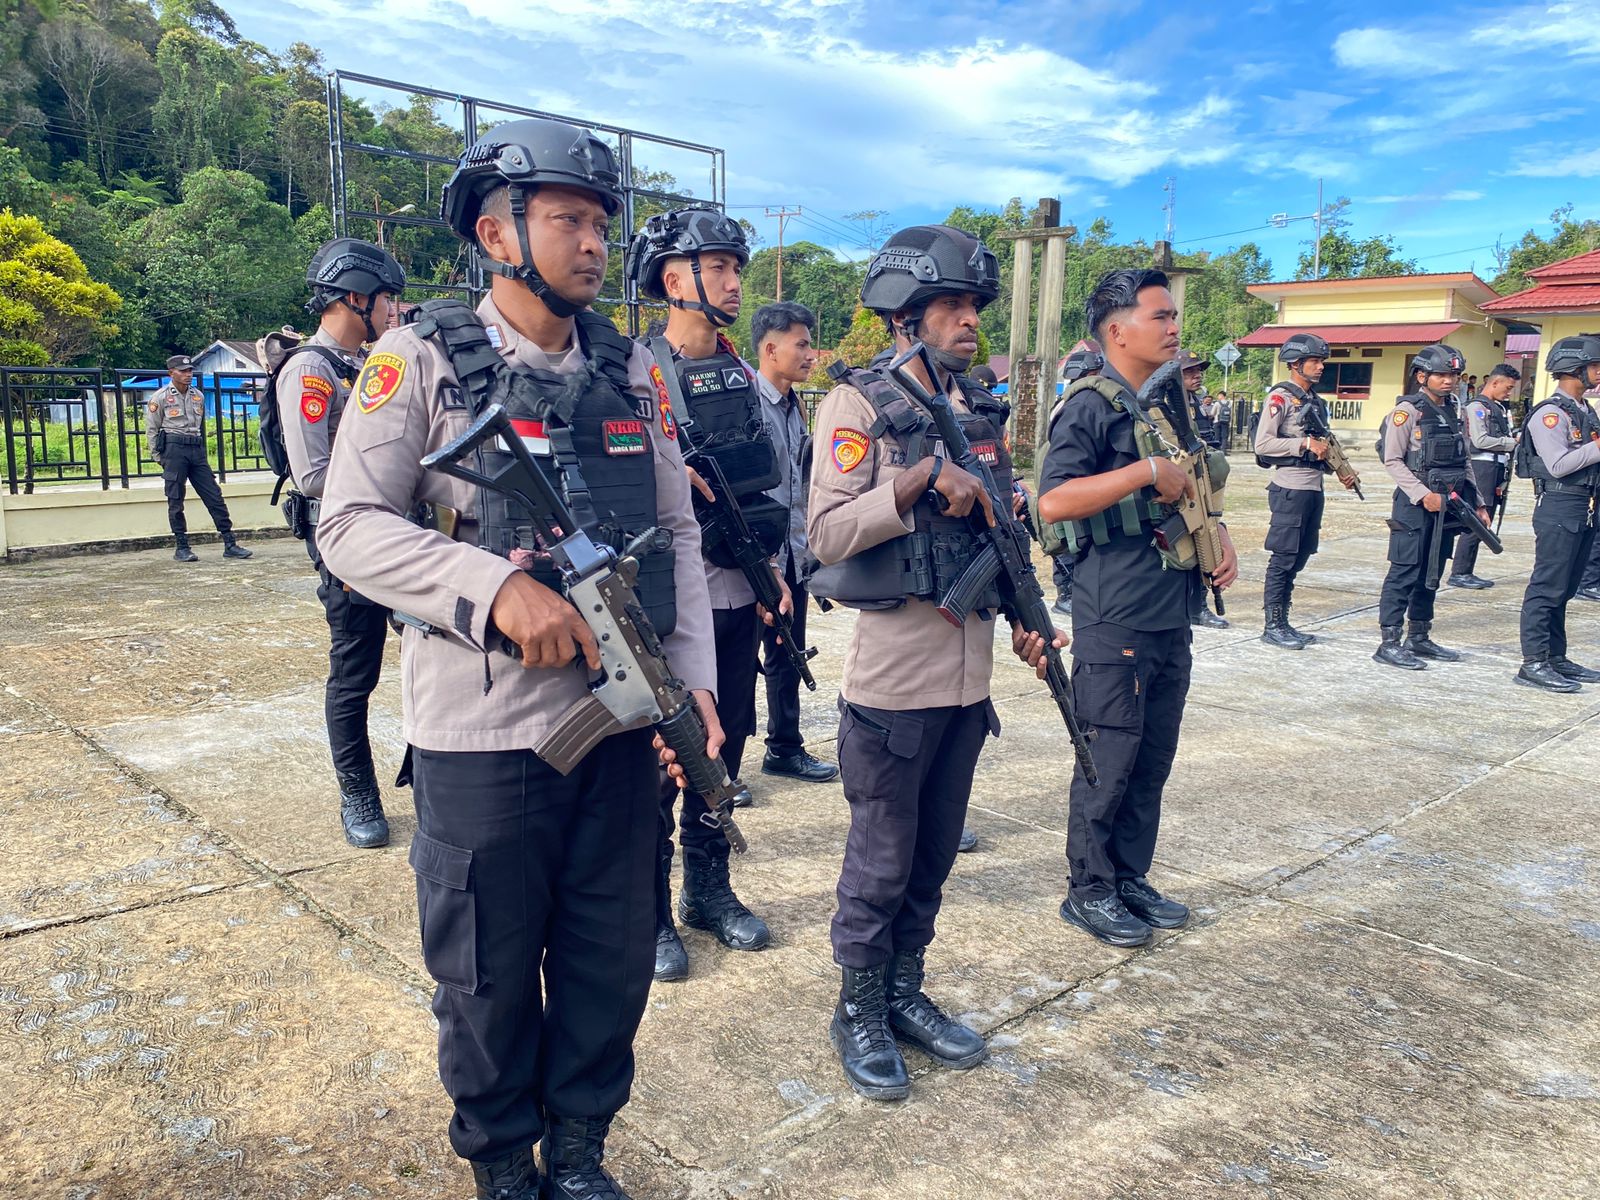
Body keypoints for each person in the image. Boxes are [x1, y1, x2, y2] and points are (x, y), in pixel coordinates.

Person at [316, 117, 720, 1200]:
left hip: (624, 722)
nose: (593, 243)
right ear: (496, 230)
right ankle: (503, 1166)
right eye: (567, 220)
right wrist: (496, 589)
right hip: (483, 736)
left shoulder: (635, 372)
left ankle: (580, 1150)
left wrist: (699, 687)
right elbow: (347, 523)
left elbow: (678, 535)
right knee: (487, 978)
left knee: (608, 957)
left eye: (600, 222)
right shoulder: (420, 359)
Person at [806, 224, 1064, 1101]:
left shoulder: (980, 410)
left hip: (968, 682)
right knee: (880, 859)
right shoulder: (857, 408)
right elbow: (827, 534)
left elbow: (998, 541)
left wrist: (1027, 623)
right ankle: (859, 1009)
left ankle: (906, 992)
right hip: (894, 686)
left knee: (933, 858)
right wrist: (915, 482)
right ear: (906, 316)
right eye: (952, 306)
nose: (969, 322)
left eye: (974, 308)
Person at [1037, 267, 1239, 948]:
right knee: (1109, 756)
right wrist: (1144, 473)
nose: (1174, 326)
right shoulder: (1089, 404)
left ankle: (1127, 876)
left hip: (1168, 608)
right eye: (1161, 316)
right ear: (1117, 329)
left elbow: (1191, 485)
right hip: (1113, 609)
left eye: (1173, 316)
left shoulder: (1155, 406)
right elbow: (1054, 500)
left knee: (1152, 756)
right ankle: (1087, 889)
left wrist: (1220, 537)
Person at [627, 206, 785, 983]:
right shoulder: (632, 371)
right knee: (667, 756)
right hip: (664, 603)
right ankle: (650, 908)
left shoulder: (750, 381)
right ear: (672, 278)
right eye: (717, 267)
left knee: (732, 741)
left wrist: (775, 573)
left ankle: (710, 889)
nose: (732, 282)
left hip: (735, 591)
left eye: (735, 268)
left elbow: (771, 483)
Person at [272, 237, 407, 848]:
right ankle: (357, 792)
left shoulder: (369, 366)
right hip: (347, 542)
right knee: (356, 674)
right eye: (386, 300)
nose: (392, 311)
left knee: (443, 651)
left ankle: (434, 777)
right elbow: (314, 474)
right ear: (356, 297)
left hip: (399, 536)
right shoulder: (311, 369)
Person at [750, 300, 838, 786]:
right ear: (770, 348)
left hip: (792, 557)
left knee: (788, 655)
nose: (811, 355)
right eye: (801, 344)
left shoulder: (795, 408)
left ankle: (784, 748)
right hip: (751, 560)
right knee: (738, 662)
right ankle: (721, 770)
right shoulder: (746, 402)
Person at [1371, 344, 1488, 671]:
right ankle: (1389, 642)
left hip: (1447, 504)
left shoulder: (1456, 410)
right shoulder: (1407, 412)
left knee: (1431, 572)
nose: (1450, 380)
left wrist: (1477, 502)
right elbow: (1392, 460)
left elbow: (1464, 460)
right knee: (1405, 570)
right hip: (1414, 505)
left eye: (1454, 374)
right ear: (1422, 376)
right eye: (1442, 374)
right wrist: (1421, 494)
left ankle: (1419, 636)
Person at [1253, 333, 1353, 648]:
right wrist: (1304, 443)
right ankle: (1272, 625)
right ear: (1296, 364)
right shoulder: (1279, 398)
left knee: (1301, 555)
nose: (1321, 366)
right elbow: (1263, 444)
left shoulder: (1316, 403)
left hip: (1313, 488)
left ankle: (1284, 620)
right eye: (1314, 361)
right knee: (1283, 557)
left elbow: (1327, 444)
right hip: (1290, 488)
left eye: (1322, 361)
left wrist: (1342, 471)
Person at [1515, 335, 1600, 691]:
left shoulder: (1584, 410)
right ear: (1575, 369)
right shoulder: (1551, 414)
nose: (1599, 373)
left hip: (1585, 506)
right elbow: (1560, 464)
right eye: (1595, 366)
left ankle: (1556, 657)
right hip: (1559, 505)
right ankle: (1533, 662)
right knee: (1547, 587)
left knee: (1565, 588)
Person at [145, 355, 252, 562]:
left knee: (214, 495)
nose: (188, 375)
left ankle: (230, 543)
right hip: (174, 449)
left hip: (195, 448)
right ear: (171, 373)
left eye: (190, 371)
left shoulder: (198, 396)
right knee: (175, 499)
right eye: (183, 371)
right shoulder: (160, 397)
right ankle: (182, 546)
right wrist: (159, 456)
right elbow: (152, 429)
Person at [1448, 364, 1520, 590]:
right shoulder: (1478, 407)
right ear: (1495, 383)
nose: (1509, 393)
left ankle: (1466, 570)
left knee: (1485, 520)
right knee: (1477, 521)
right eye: (1507, 388)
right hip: (1482, 468)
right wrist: (1512, 443)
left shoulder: (1496, 407)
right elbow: (1479, 441)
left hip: (1496, 470)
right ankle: (1460, 572)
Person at [1178, 349, 1228, 630]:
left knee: (1209, 539)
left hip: (1206, 481)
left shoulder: (1194, 403)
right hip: (1186, 484)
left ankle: (1202, 603)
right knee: (1194, 544)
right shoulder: (1166, 407)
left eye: (1199, 370)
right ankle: (1196, 605)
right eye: (1189, 371)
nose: (1197, 375)